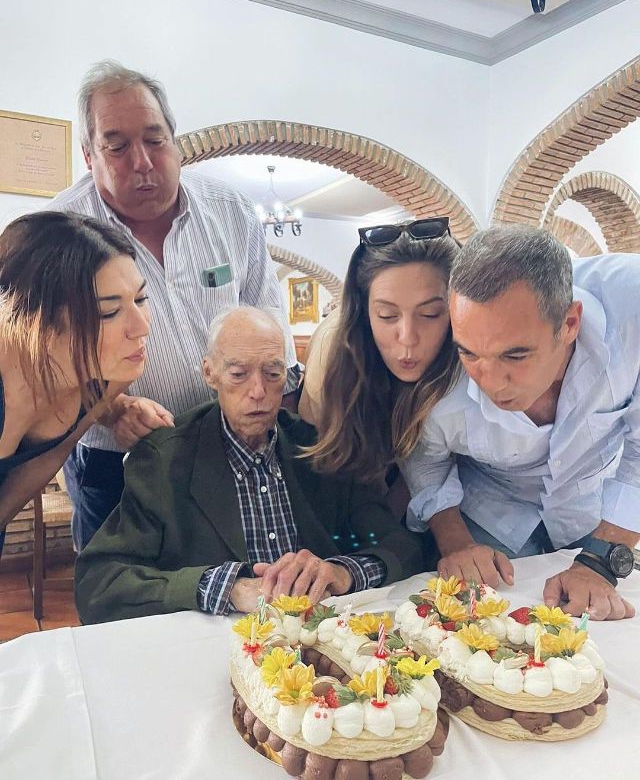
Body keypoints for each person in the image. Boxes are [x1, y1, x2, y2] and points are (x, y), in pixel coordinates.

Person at [48, 60, 299, 551]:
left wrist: (277, 408)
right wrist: (111, 408)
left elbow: (270, 320)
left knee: (224, 585)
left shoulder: (228, 210)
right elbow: (46, 354)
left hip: (227, 444)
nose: (141, 162)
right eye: (116, 146)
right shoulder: (60, 231)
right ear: (88, 155)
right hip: (113, 457)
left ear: (175, 139)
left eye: (155, 139)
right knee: (119, 600)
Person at [75, 307, 422, 624]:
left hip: (319, 639)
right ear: (210, 374)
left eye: (272, 374)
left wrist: (341, 572)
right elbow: (99, 584)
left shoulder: (319, 449)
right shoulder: (164, 460)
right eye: (239, 374)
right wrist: (228, 588)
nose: (258, 391)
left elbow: (400, 546)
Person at [403, 225, 639, 621]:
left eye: (515, 355)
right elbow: (424, 457)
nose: (491, 383)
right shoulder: (437, 382)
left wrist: (602, 559)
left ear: (568, 324)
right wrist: (455, 542)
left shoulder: (633, 312)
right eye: (470, 353)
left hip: (592, 510)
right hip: (489, 515)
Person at [0, 211, 153, 556]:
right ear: (39, 321)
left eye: (140, 299)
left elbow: (52, 453)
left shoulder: (112, 373)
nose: (141, 326)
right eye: (109, 312)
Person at [300, 217, 462, 490]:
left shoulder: (475, 356)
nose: (408, 337)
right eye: (387, 315)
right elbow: (328, 478)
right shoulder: (332, 360)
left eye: (430, 314)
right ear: (363, 313)